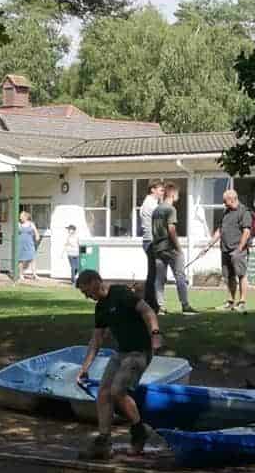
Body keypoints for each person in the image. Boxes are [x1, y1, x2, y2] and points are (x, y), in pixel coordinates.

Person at [73, 267, 161, 458]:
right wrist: (84, 368)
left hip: (139, 351)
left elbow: (148, 312)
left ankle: (139, 431)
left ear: (94, 282)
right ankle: (104, 442)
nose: (86, 296)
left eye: (85, 290)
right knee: (103, 393)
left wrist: (155, 334)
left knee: (117, 391)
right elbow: (96, 340)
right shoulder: (100, 308)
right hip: (121, 353)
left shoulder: (120, 293)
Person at [144, 181, 195, 314]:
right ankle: (185, 305)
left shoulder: (156, 210)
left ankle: (160, 307)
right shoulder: (170, 209)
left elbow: (153, 231)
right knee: (180, 276)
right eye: (177, 193)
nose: (178, 196)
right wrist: (178, 247)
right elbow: (171, 229)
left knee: (159, 279)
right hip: (170, 248)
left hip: (158, 248)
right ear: (172, 194)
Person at [214, 186, 254, 311]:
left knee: (241, 275)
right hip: (225, 249)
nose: (223, 203)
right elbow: (220, 230)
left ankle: (242, 302)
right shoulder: (226, 212)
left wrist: (239, 249)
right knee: (229, 276)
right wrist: (208, 245)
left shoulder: (244, 212)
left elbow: (246, 232)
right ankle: (230, 302)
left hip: (237, 250)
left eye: (225, 201)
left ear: (232, 199)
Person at [14, 209, 41, 282]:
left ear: (25, 217)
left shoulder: (31, 224)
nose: (20, 218)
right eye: (20, 217)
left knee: (32, 259)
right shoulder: (18, 224)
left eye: (21, 216)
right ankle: (21, 274)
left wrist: (37, 237)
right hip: (20, 244)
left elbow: (36, 232)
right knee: (21, 260)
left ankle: (34, 274)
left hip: (29, 243)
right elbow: (16, 233)